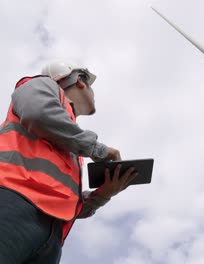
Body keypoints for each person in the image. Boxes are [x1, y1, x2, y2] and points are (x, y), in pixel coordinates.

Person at [0, 61, 137, 263]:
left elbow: (69, 205)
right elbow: (38, 113)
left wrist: (103, 194)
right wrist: (97, 149)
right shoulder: (41, 85)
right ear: (80, 82)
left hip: (52, 235)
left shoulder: (72, 147)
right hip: (13, 203)